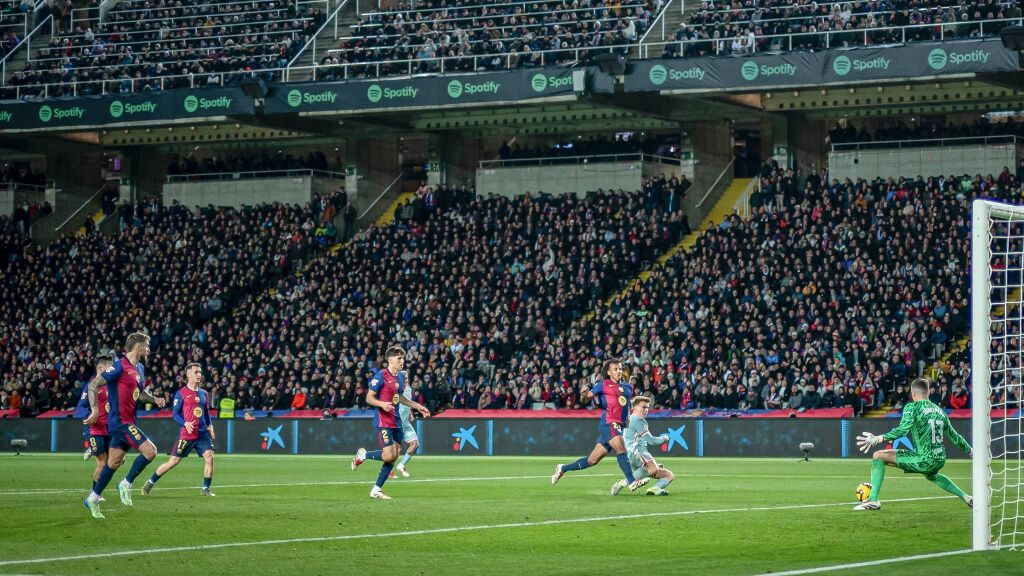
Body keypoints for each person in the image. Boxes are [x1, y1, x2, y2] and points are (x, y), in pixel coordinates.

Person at [854, 378, 973, 511]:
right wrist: (971, 451)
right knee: (931, 475)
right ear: (928, 392)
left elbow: (902, 430)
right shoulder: (940, 411)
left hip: (923, 459)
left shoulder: (913, 407)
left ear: (913, 393)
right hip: (939, 459)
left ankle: (874, 500)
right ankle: (966, 497)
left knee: (878, 456)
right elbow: (955, 436)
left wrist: (878, 438)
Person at [83, 332, 166, 519]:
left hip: (129, 422)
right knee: (151, 452)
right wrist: (95, 410)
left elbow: (139, 392)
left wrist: (154, 399)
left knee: (112, 464)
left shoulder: (140, 369)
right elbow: (93, 385)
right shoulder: (119, 366)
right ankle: (126, 484)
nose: (149, 349)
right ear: (138, 347)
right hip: (120, 423)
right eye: (147, 345)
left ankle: (92, 499)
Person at [551, 358, 649, 492]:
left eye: (620, 369)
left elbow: (624, 406)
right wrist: (584, 394)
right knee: (621, 449)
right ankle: (632, 482)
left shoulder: (628, 387)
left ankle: (562, 468)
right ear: (609, 372)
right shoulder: (603, 384)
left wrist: (627, 422)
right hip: (609, 422)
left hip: (618, 425)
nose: (619, 371)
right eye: (615, 369)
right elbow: (586, 399)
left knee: (592, 460)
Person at [350, 346, 430, 499]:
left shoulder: (400, 377)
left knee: (393, 456)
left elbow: (400, 398)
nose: (402, 361)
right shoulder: (380, 376)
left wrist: (418, 406)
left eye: (403, 358)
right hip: (384, 421)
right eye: (399, 358)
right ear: (390, 360)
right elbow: (369, 398)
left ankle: (376, 490)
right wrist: (382, 404)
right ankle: (363, 454)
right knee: (388, 456)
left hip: (397, 421)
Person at [142, 363, 216, 497]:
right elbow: (175, 414)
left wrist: (210, 425)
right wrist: (185, 423)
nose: (199, 374)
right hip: (187, 434)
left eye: (200, 372)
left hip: (202, 434)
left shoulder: (204, 393)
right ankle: (150, 482)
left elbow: (206, 412)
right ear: (188, 375)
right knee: (173, 462)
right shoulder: (181, 393)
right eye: (196, 372)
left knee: (210, 457)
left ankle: (205, 489)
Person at [611, 396, 676, 496]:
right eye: (643, 407)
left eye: (647, 407)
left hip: (629, 455)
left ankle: (655, 488)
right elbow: (652, 441)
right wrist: (664, 438)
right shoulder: (638, 420)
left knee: (669, 475)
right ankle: (623, 483)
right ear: (635, 408)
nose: (646, 410)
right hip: (637, 451)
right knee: (654, 469)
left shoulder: (629, 418)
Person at [80, 355, 114, 498]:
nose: (112, 369)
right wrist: (90, 414)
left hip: (110, 429)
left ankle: (96, 493)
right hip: (96, 429)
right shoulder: (92, 385)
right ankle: (94, 494)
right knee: (102, 463)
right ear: (101, 368)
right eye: (109, 366)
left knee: (119, 459)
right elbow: (81, 405)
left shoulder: (112, 384)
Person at [392, 370, 420, 478]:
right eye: (405, 378)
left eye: (407, 377)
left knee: (415, 445)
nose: (407, 379)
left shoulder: (409, 389)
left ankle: (401, 464)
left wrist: (410, 414)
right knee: (396, 450)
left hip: (406, 423)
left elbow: (407, 403)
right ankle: (388, 470)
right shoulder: (396, 390)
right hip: (397, 424)